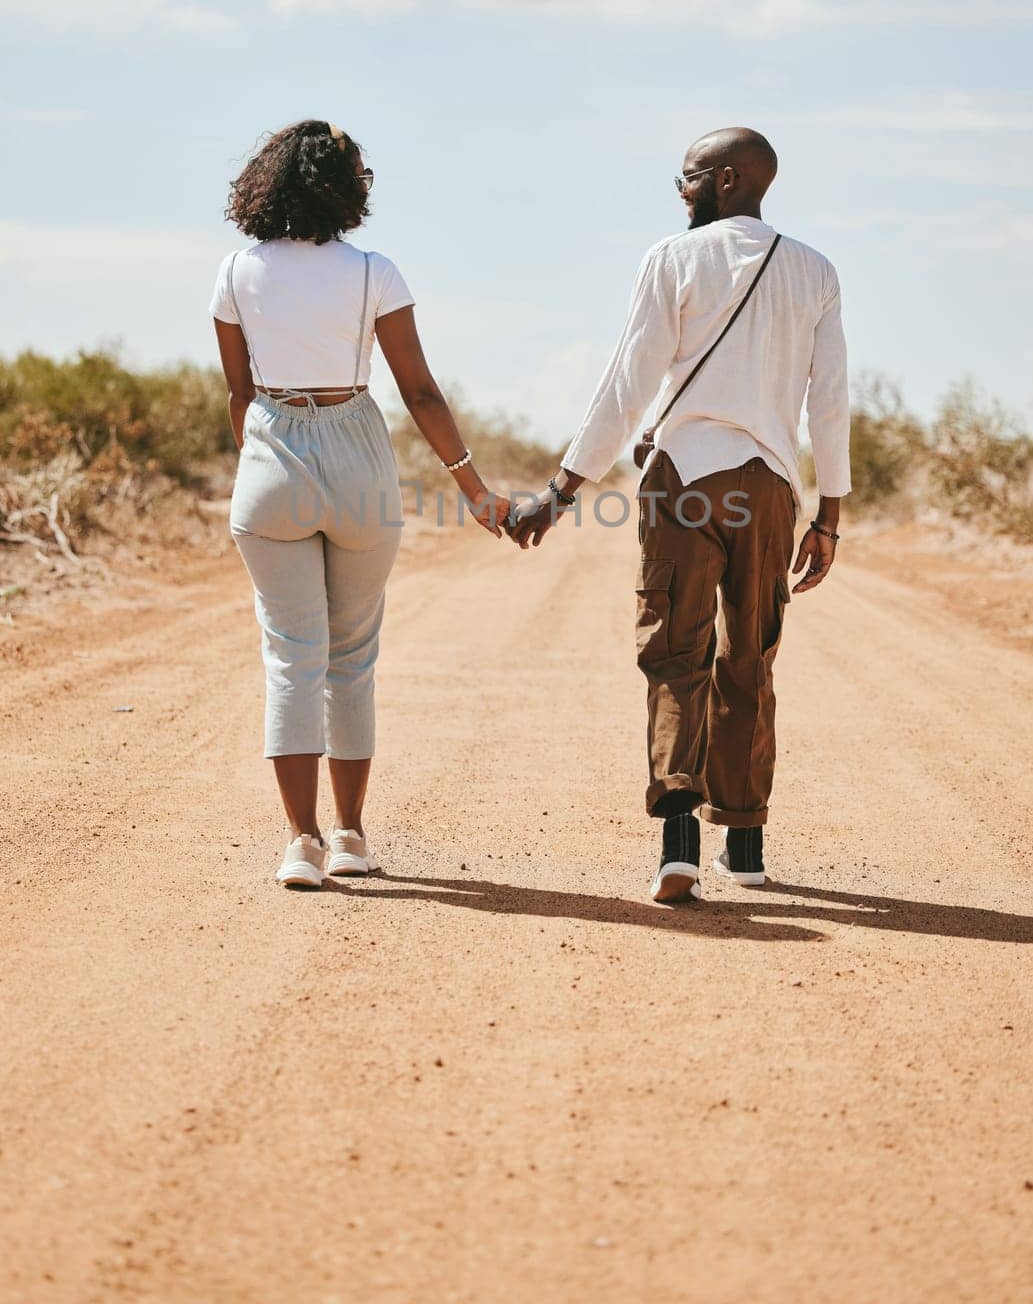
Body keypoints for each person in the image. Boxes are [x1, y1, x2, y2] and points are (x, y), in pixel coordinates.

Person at [509, 128, 851, 903]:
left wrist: (560, 494)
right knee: (750, 656)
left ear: (727, 180)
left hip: (683, 481)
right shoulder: (815, 271)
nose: (680, 188)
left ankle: (678, 842)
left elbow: (626, 381)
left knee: (675, 653)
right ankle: (747, 841)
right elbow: (828, 402)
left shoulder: (671, 258)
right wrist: (827, 515)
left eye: (689, 176)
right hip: (767, 489)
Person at [210, 119, 511, 889]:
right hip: (357, 455)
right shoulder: (375, 271)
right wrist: (473, 488)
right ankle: (348, 835)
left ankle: (298, 843)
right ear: (348, 188)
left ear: (266, 181)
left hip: (273, 450)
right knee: (351, 659)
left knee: (290, 657)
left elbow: (239, 396)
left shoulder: (237, 272)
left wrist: (262, 469)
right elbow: (417, 390)